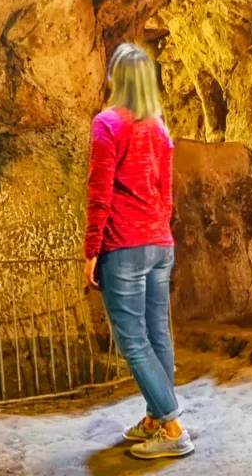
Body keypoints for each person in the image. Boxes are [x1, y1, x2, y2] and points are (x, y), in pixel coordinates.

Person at [83, 43, 193, 460]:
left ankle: (172, 426)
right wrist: (159, 233)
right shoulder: (160, 129)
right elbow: (166, 194)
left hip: (124, 245)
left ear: (115, 79)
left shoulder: (107, 125)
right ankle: (154, 417)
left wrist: (92, 249)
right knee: (158, 334)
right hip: (158, 243)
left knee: (132, 341)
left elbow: (101, 192)